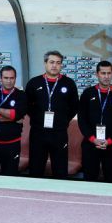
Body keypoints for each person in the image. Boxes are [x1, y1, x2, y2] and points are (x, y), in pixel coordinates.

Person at [25, 51, 79, 179]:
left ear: (61, 65)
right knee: (36, 169)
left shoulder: (69, 83)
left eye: (58, 63)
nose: (54, 65)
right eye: (51, 62)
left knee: (60, 170)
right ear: (45, 63)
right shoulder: (34, 83)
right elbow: (27, 105)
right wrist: (37, 118)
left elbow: (75, 106)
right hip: (38, 132)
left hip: (59, 133)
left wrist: (63, 120)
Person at [77, 60, 112, 183]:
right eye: (103, 73)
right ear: (97, 74)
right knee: (89, 180)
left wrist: (109, 141)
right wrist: (93, 139)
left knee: (111, 180)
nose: (106, 76)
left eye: (109, 73)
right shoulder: (88, 93)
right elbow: (82, 120)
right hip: (91, 144)